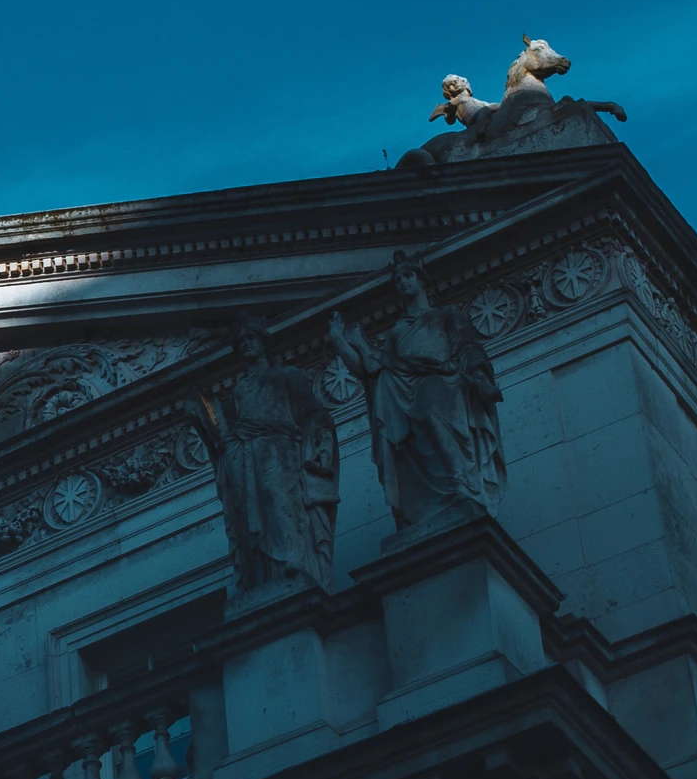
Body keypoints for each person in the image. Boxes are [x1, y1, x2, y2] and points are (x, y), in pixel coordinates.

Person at [325, 252, 506, 535]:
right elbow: (372, 369)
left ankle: (460, 483)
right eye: (398, 279)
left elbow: (467, 348)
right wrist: (341, 339)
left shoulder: (444, 316)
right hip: (406, 387)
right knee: (400, 397)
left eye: (407, 276)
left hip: (442, 380)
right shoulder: (397, 331)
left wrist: (481, 378)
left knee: (432, 407)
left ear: (422, 280)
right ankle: (427, 502)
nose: (402, 282)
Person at [186, 322, 341, 592]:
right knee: (253, 509)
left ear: (263, 343)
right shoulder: (240, 389)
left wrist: (323, 444)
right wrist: (202, 413)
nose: (247, 343)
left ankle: (293, 556)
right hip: (248, 451)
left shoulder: (287, 375)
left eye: (251, 338)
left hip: (280, 445)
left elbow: (313, 413)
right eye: (241, 341)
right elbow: (223, 434)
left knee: (278, 497)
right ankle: (270, 570)